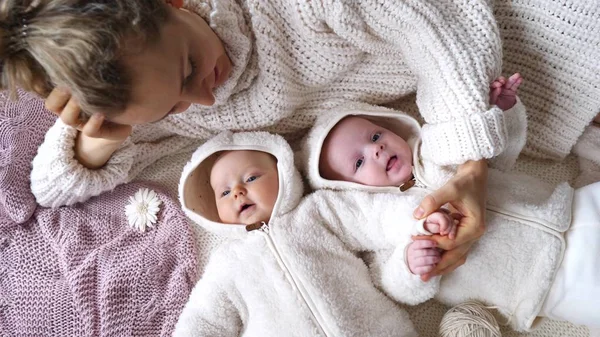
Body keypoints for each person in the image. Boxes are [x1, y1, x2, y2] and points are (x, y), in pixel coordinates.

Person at [1, 0, 514, 281]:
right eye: (173, 107)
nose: (203, 98)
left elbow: (439, 20)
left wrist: (471, 167)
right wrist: (99, 137)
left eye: (189, 69)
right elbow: (52, 189)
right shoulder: (152, 98)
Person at [299, 77, 600, 331]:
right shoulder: (383, 233)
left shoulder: (438, 151)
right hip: (547, 283)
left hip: (573, 208)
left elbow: (495, 154)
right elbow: (396, 287)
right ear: (350, 189)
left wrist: (501, 112)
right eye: (359, 161)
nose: (375, 149)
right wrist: (412, 263)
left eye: (376, 135)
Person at [175, 130, 445, 336]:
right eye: (224, 192)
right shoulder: (227, 262)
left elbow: (375, 216)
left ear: (282, 173)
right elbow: (204, 319)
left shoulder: (318, 211)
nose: (237, 192)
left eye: (251, 178)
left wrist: (418, 222)